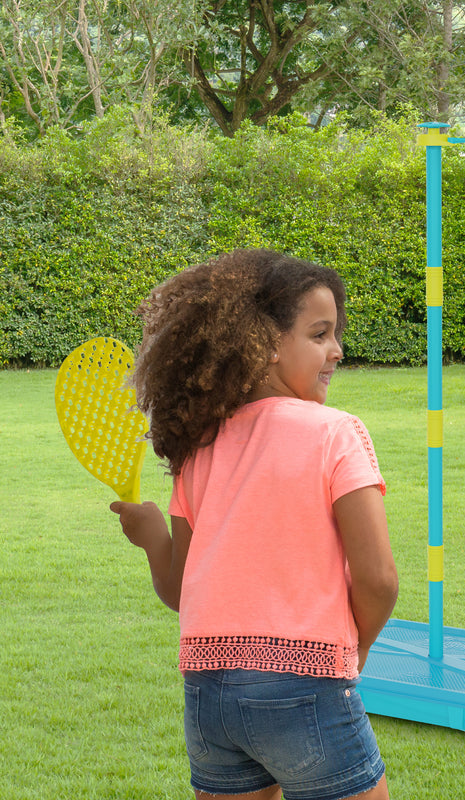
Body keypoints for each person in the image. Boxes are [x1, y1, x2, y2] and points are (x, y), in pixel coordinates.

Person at [111, 249, 399, 800]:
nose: (337, 350)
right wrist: (353, 650)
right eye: (319, 334)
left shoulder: (201, 447)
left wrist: (152, 540)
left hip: (209, 693)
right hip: (307, 683)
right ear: (264, 344)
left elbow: (179, 591)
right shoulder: (336, 433)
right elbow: (378, 577)